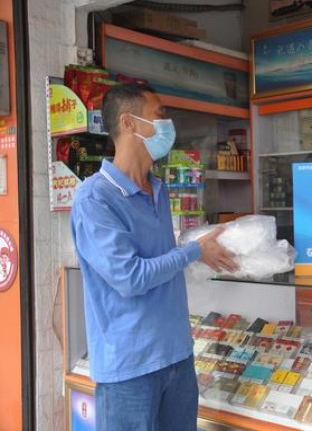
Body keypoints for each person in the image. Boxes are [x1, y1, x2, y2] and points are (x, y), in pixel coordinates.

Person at [71, 83, 236, 431]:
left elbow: (162, 261)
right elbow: (130, 277)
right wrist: (193, 251)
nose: (167, 124)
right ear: (129, 123)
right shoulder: (95, 198)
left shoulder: (158, 189)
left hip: (177, 357)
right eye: (159, 115)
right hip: (130, 369)